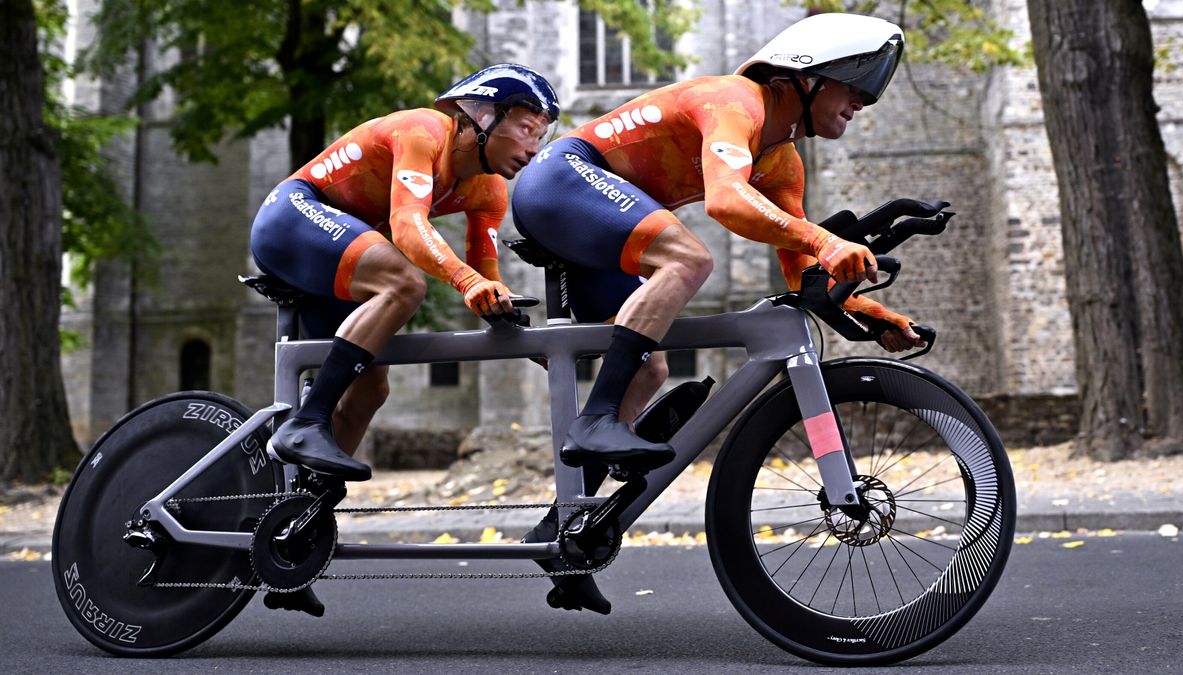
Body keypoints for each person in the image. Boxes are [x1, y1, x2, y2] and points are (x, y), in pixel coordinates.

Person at [511, 13, 922, 614]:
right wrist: (827, 241)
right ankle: (595, 420)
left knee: (648, 370)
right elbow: (728, 201)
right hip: (562, 181)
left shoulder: (781, 162)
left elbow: (798, 275)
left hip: (597, 217)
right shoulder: (736, 100)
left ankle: (565, 531)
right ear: (804, 79)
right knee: (688, 258)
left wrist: (865, 312)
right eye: (854, 83)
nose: (862, 101)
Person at [249, 64, 559, 616]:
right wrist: (464, 280)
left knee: (370, 391)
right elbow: (410, 228)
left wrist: (522, 333)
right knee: (403, 282)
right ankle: (304, 423)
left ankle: (295, 533)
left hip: (344, 248)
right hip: (295, 217)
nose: (535, 148)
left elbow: (485, 272)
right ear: (483, 117)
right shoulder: (423, 131)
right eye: (528, 128)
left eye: (544, 135)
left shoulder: (489, 190)